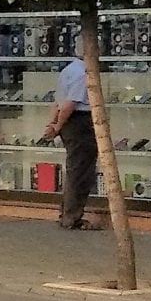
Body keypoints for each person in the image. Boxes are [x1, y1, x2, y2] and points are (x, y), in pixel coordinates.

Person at [41, 55, 99, 230]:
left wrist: (53, 124)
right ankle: (72, 217)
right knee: (81, 171)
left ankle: (67, 212)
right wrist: (57, 126)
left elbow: (57, 103)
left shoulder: (68, 70)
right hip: (79, 121)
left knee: (75, 167)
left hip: (69, 122)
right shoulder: (82, 73)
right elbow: (70, 104)